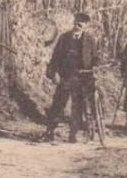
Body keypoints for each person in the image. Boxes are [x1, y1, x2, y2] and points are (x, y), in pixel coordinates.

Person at [42, 12, 98, 143]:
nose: (78, 26)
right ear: (74, 23)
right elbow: (55, 58)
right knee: (59, 103)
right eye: (77, 23)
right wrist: (53, 73)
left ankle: (73, 133)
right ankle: (50, 130)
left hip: (83, 76)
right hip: (66, 75)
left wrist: (95, 67)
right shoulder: (64, 38)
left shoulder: (90, 39)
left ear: (86, 26)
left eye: (82, 24)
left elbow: (95, 57)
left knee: (77, 106)